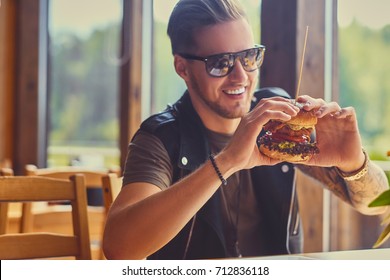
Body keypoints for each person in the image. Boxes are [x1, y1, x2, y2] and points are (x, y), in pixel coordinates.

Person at [103, 0, 389, 260]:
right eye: (220, 63)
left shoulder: (279, 121)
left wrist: (355, 165)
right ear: (183, 68)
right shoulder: (160, 137)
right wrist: (226, 162)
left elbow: (375, 206)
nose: (241, 76)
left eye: (250, 57)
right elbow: (119, 249)